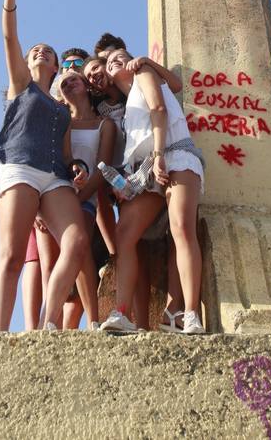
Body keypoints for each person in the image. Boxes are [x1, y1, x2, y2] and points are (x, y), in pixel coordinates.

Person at [0, 0, 88, 331]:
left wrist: (76, 167)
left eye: (48, 51)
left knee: (76, 242)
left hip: (54, 175)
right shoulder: (21, 86)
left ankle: (48, 323)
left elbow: (65, 154)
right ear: (28, 63)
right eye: (36, 51)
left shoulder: (61, 110)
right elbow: (9, 37)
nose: (42, 52)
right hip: (18, 166)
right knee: (12, 256)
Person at [99, 48, 205, 335]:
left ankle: (189, 313)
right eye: (109, 62)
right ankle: (122, 313)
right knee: (125, 235)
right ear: (107, 78)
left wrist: (159, 154)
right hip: (144, 169)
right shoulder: (124, 108)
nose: (115, 61)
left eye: (121, 55)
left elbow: (159, 109)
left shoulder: (142, 73)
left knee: (182, 228)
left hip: (174, 154)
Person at [55, 68, 116, 328]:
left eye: (74, 79)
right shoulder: (60, 123)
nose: (69, 84)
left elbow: (103, 168)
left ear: (86, 85)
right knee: (61, 258)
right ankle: (52, 323)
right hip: (56, 195)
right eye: (63, 83)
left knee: (81, 253)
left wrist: (81, 197)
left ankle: (92, 319)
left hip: (86, 196)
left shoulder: (106, 125)